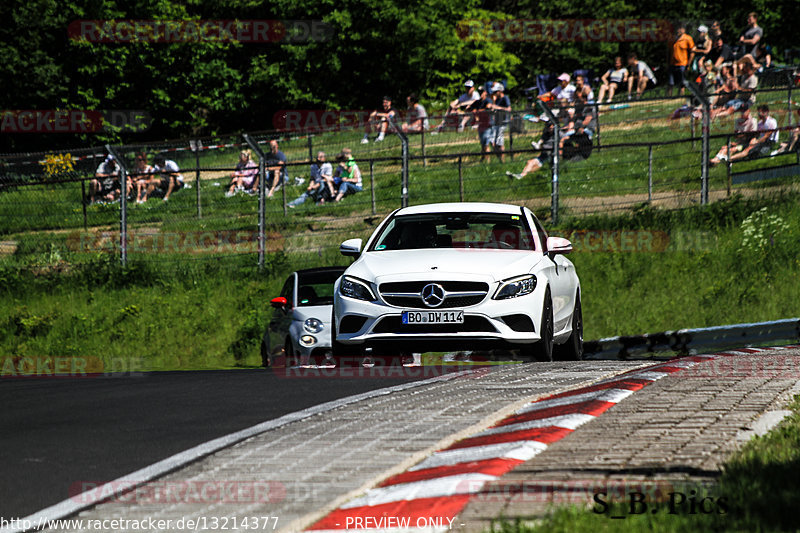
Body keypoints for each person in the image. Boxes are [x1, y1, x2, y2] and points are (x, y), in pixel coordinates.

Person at [487, 82, 512, 162]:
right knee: (492, 141)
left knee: (499, 141)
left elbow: (508, 109)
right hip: (496, 122)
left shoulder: (505, 98)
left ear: (500, 91)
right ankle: (499, 158)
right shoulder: (496, 99)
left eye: (495, 92)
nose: (494, 93)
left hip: (502, 122)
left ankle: (502, 160)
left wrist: (497, 107)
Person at [667, 25, 695, 97]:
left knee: (682, 82)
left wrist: (688, 64)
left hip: (683, 63)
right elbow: (669, 51)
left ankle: (681, 96)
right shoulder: (672, 38)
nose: (678, 31)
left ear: (683, 30)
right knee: (670, 82)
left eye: (680, 29)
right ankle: (668, 97)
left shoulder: (687, 38)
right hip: (672, 63)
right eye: (677, 29)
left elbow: (692, 51)